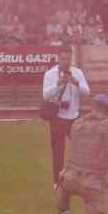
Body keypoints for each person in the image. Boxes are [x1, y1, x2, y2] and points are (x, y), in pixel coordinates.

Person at [56, 94, 108, 214]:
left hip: (68, 178)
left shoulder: (77, 124)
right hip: (90, 182)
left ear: (93, 106)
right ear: (107, 110)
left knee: (65, 197)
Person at [41, 45, 90, 193]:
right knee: (58, 151)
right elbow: (45, 95)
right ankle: (58, 181)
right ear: (58, 58)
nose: (66, 61)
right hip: (57, 117)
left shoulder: (78, 73)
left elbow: (87, 92)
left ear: (71, 58)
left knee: (81, 149)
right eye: (63, 58)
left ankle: (81, 179)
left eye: (68, 58)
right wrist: (58, 83)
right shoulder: (50, 74)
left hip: (74, 116)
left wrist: (76, 83)